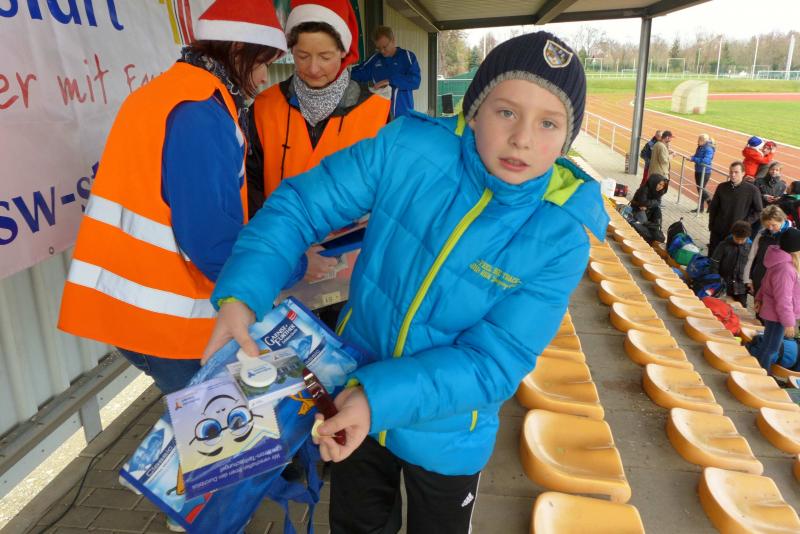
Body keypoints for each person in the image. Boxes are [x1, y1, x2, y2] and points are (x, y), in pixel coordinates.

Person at [203, 32, 606, 533]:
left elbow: (493, 362)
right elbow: (301, 204)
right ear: (473, 112)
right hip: (351, 391)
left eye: (548, 123)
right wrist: (243, 293)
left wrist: (375, 399)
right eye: (506, 112)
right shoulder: (408, 147)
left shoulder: (561, 236)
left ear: (567, 139)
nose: (522, 138)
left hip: (449, 432)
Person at [57, 0, 287, 395]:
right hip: (167, 322)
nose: (265, 77)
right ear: (237, 51)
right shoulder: (201, 112)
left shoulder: (171, 92)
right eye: (262, 63)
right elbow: (211, 241)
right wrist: (288, 266)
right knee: (223, 427)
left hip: (134, 311)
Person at [247, 0, 391, 285]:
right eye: (302, 56)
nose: (313, 68)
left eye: (325, 56)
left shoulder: (377, 113)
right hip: (282, 260)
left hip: (351, 269)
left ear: (344, 52)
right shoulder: (264, 107)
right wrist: (283, 250)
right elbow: (251, 188)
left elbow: (391, 196)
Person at [753, 227, 800, 372]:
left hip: (775, 313)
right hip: (778, 316)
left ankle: (758, 370)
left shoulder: (779, 261)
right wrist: (789, 323)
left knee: (768, 345)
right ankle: (761, 374)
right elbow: (783, 299)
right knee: (771, 348)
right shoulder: (786, 269)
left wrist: (759, 298)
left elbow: (765, 283)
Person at [351, 25, 421, 119]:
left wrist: (389, 81)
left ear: (393, 40)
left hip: (403, 116)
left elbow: (415, 81)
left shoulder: (407, 57)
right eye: (378, 48)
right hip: (381, 117)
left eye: (385, 47)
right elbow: (356, 74)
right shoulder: (375, 59)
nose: (382, 51)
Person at [707, 161, 763, 256]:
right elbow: (714, 207)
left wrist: (744, 223)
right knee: (713, 254)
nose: (733, 175)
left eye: (736, 172)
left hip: (736, 232)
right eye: (731, 172)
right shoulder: (721, 187)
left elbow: (759, 211)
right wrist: (711, 224)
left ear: (743, 173)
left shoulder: (752, 190)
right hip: (718, 229)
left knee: (729, 258)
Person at [744, 205, 791, 297]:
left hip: (780, 281)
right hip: (760, 277)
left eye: (773, 225)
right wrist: (747, 279)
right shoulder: (761, 234)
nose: (770, 228)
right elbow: (751, 257)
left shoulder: (792, 235)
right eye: (767, 225)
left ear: (782, 220)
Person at [710, 220, 752, 307]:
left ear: (747, 237)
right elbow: (714, 262)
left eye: (742, 239)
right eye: (737, 239)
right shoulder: (723, 245)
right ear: (732, 234)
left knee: (741, 306)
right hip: (724, 282)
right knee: (721, 305)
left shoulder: (750, 247)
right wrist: (716, 278)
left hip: (741, 286)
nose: (739, 242)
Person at [690, 133, 715, 213]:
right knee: (700, 189)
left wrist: (694, 159)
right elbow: (697, 156)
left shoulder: (708, 149)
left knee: (701, 189)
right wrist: (692, 157)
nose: (697, 141)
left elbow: (706, 161)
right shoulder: (700, 147)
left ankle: (710, 202)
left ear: (703, 141)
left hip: (705, 171)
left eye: (699, 140)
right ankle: (700, 208)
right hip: (698, 169)